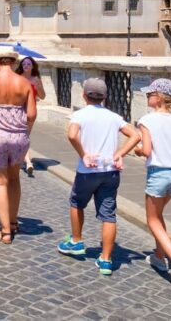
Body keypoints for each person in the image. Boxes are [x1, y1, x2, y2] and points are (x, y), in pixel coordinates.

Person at [58, 78, 141, 276]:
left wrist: (83, 154)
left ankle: (76, 241)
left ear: (84, 95)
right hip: (110, 171)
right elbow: (136, 135)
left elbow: (71, 135)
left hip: (88, 171)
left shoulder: (80, 114)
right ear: (105, 97)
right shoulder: (113, 116)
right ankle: (105, 260)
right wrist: (120, 153)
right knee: (109, 215)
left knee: (77, 203)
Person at [134, 79, 171, 290]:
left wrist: (138, 150)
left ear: (159, 96)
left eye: (150, 94)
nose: (147, 96)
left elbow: (146, 150)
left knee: (151, 220)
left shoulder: (147, 120)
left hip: (158, 173)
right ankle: (159, 256)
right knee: (158, 216)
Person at [0, 46, 34, 243]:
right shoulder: (24, 82)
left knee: (0, 182)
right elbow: (32, 114)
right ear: (14, 61)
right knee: (15, 179)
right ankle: (12, 222)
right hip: (19, 137)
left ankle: (5, 232)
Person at [16, 56, 47, 177]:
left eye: (28, 64)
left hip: (31, 110)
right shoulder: (18, 78)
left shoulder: (36, 79)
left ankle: (25, 160)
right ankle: (27, 161)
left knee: (24, 135)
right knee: (22, 136)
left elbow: (43, 96)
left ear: (33, 66)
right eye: (24, 64)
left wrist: (38, 86)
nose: (26, 66)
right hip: (18, 110)